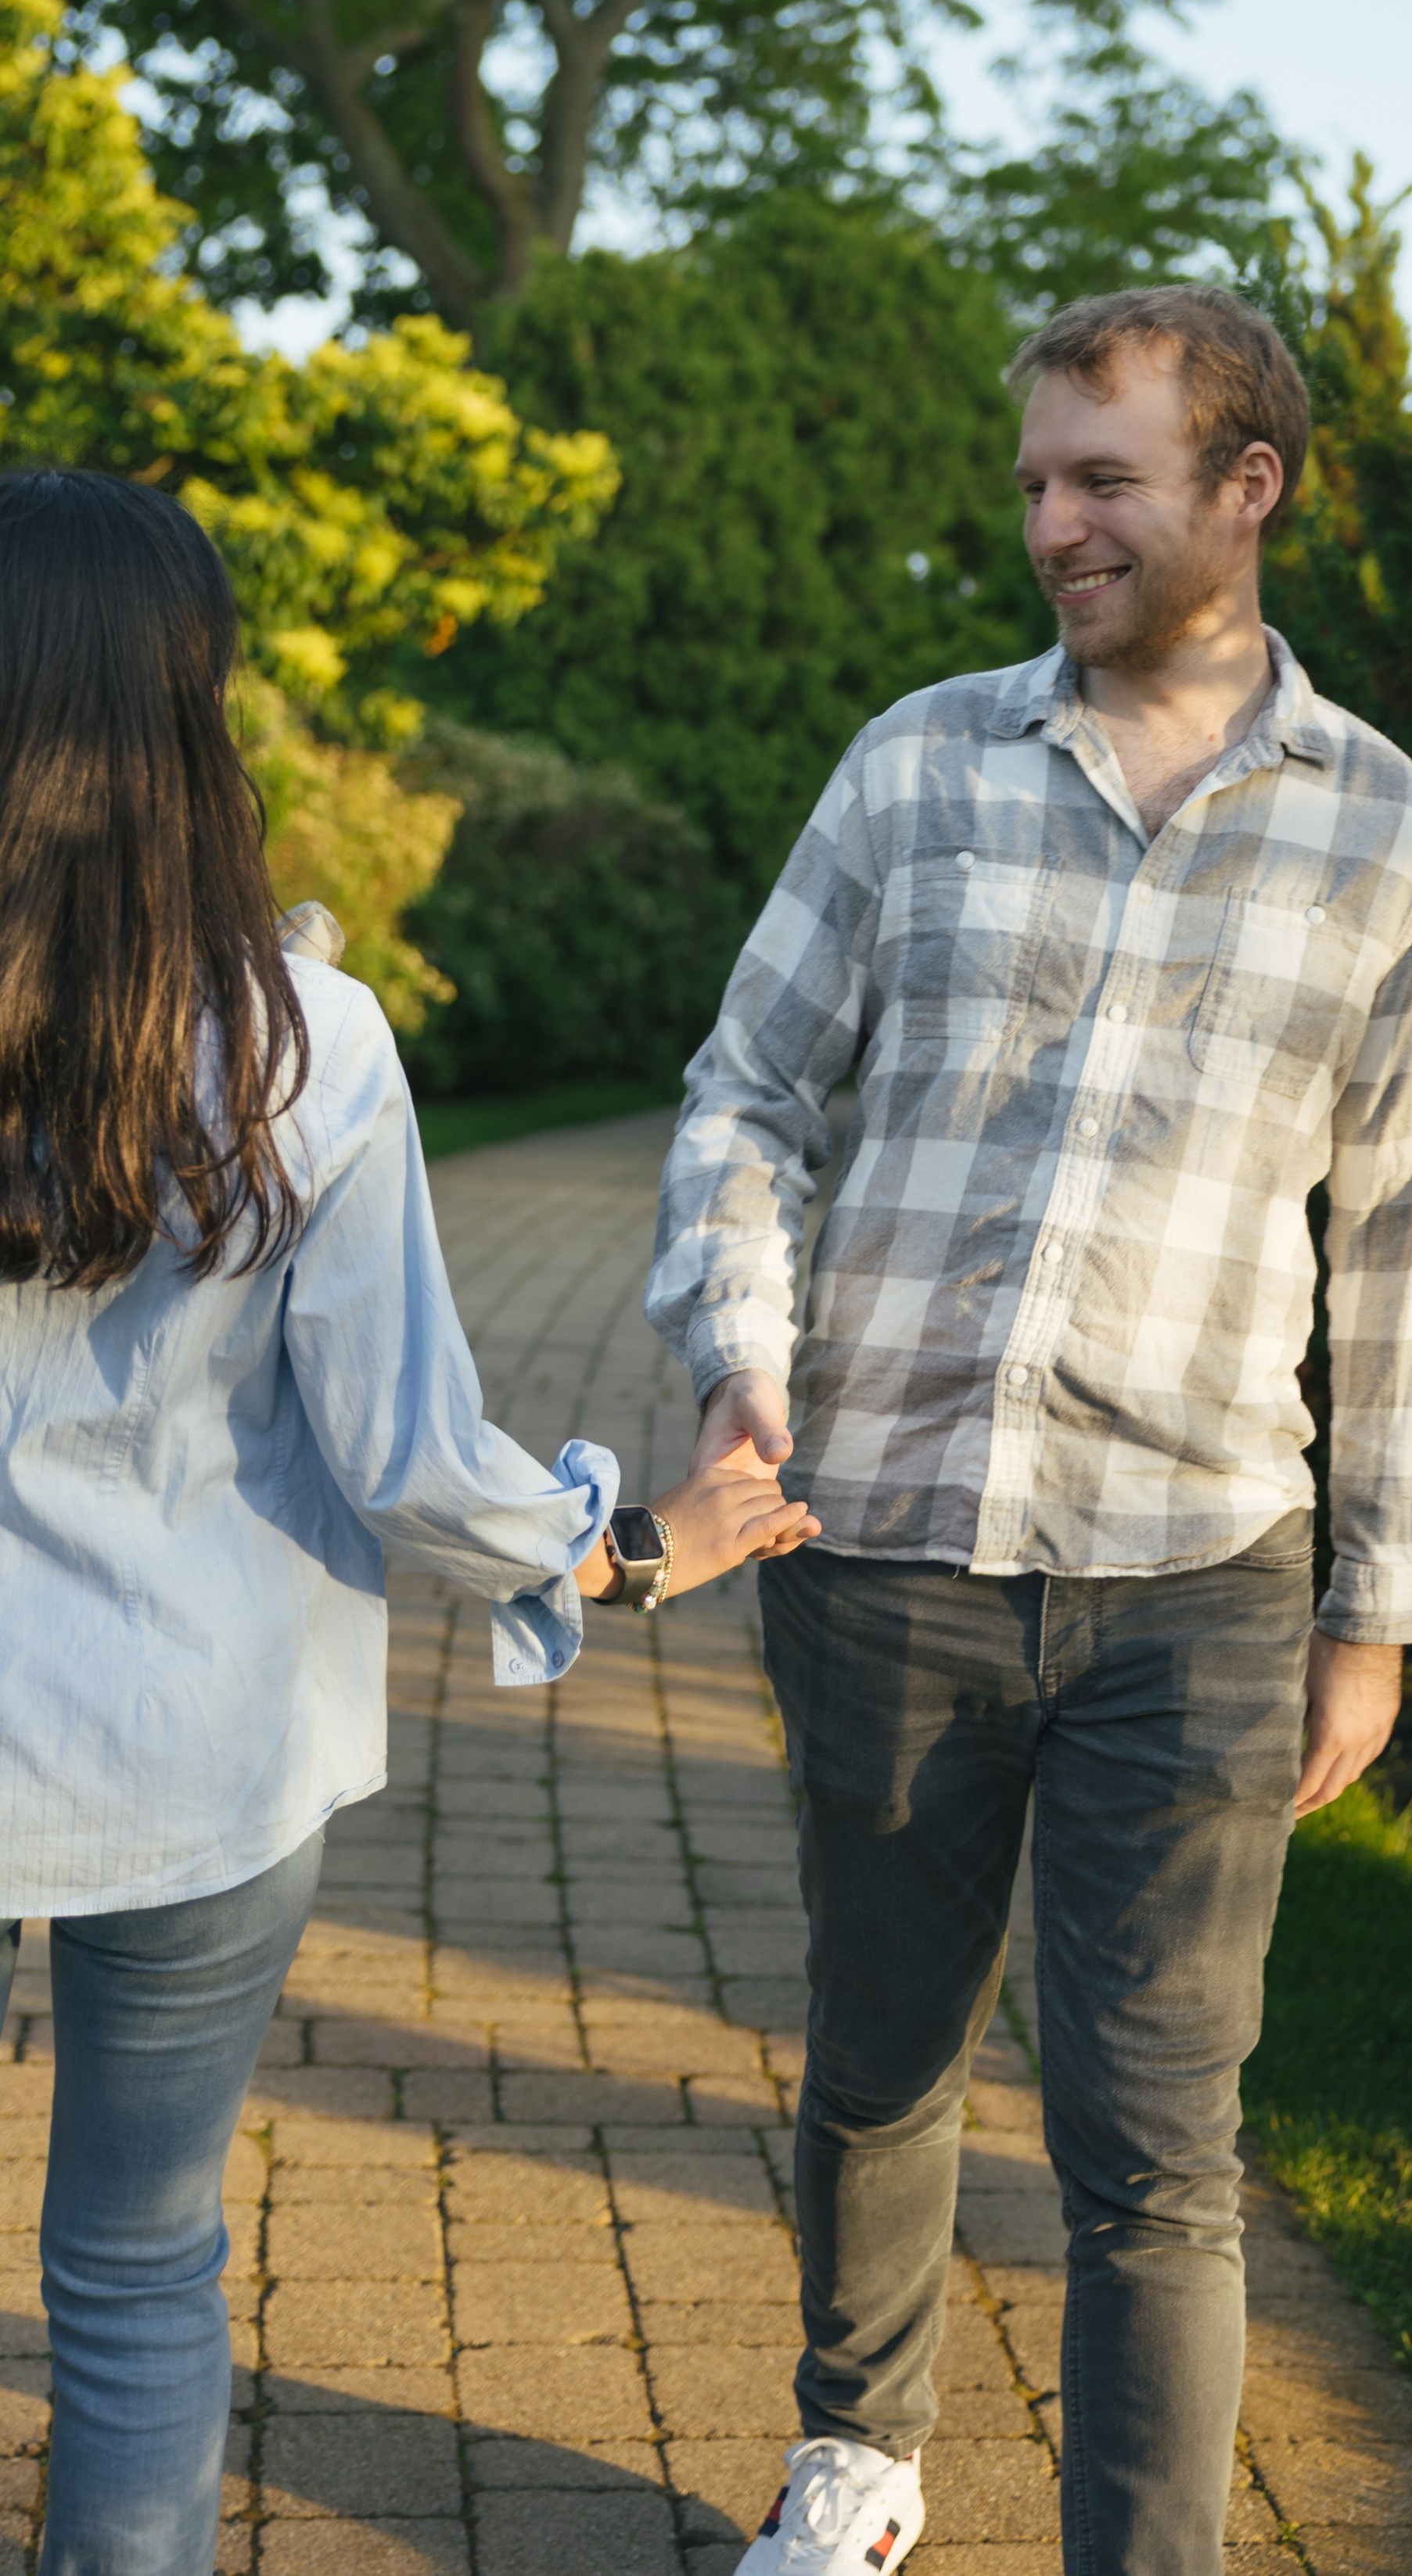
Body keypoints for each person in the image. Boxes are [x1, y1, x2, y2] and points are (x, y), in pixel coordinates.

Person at [650, 285, 1412, 2575]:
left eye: (1102, 478)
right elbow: (745, 1093)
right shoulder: (918, 766)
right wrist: (744, 1342)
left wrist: (1377, 1609)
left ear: (1247, 485)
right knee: (883, 2055)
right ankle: (859, 2453)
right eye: (1035, 481)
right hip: (881, 1543)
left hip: (1197, 1580)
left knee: (1158, 2149)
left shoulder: (1386, 837)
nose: (1052, 526)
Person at [0, 467, 817, 2576]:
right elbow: (409, 1462)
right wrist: (635, 1543)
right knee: (136, 2270)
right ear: (187, 709)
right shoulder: (303, 1047)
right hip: (195, 1749)